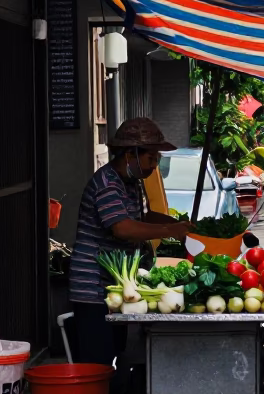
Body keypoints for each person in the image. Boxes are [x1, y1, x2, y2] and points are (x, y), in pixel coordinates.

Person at [69, 117, 193, 375]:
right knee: (98, 367)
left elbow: (143, 217)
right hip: (94, 289)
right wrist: (170, 231)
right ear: (130, 155)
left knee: (116, 357)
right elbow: (122, 228)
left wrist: (179, 225)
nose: (154, 165)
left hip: (115, 286)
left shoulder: (131, 183)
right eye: (151, 158)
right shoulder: (107, 184)